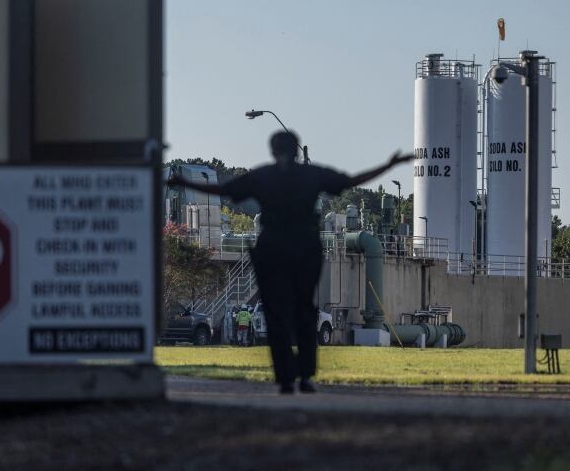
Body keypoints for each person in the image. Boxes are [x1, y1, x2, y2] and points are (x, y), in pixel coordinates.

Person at [167, 131, 413, 393]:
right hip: (305, 248)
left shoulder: (264, 176)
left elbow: (223, 189)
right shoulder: (310, 175)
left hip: (273, 249)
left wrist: (185, 182)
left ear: (272, 150)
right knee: (305, 310)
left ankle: (285, 377)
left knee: (276, 315)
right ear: (295, 151)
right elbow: (351, 180)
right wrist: (388, 165)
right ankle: (305, 376)